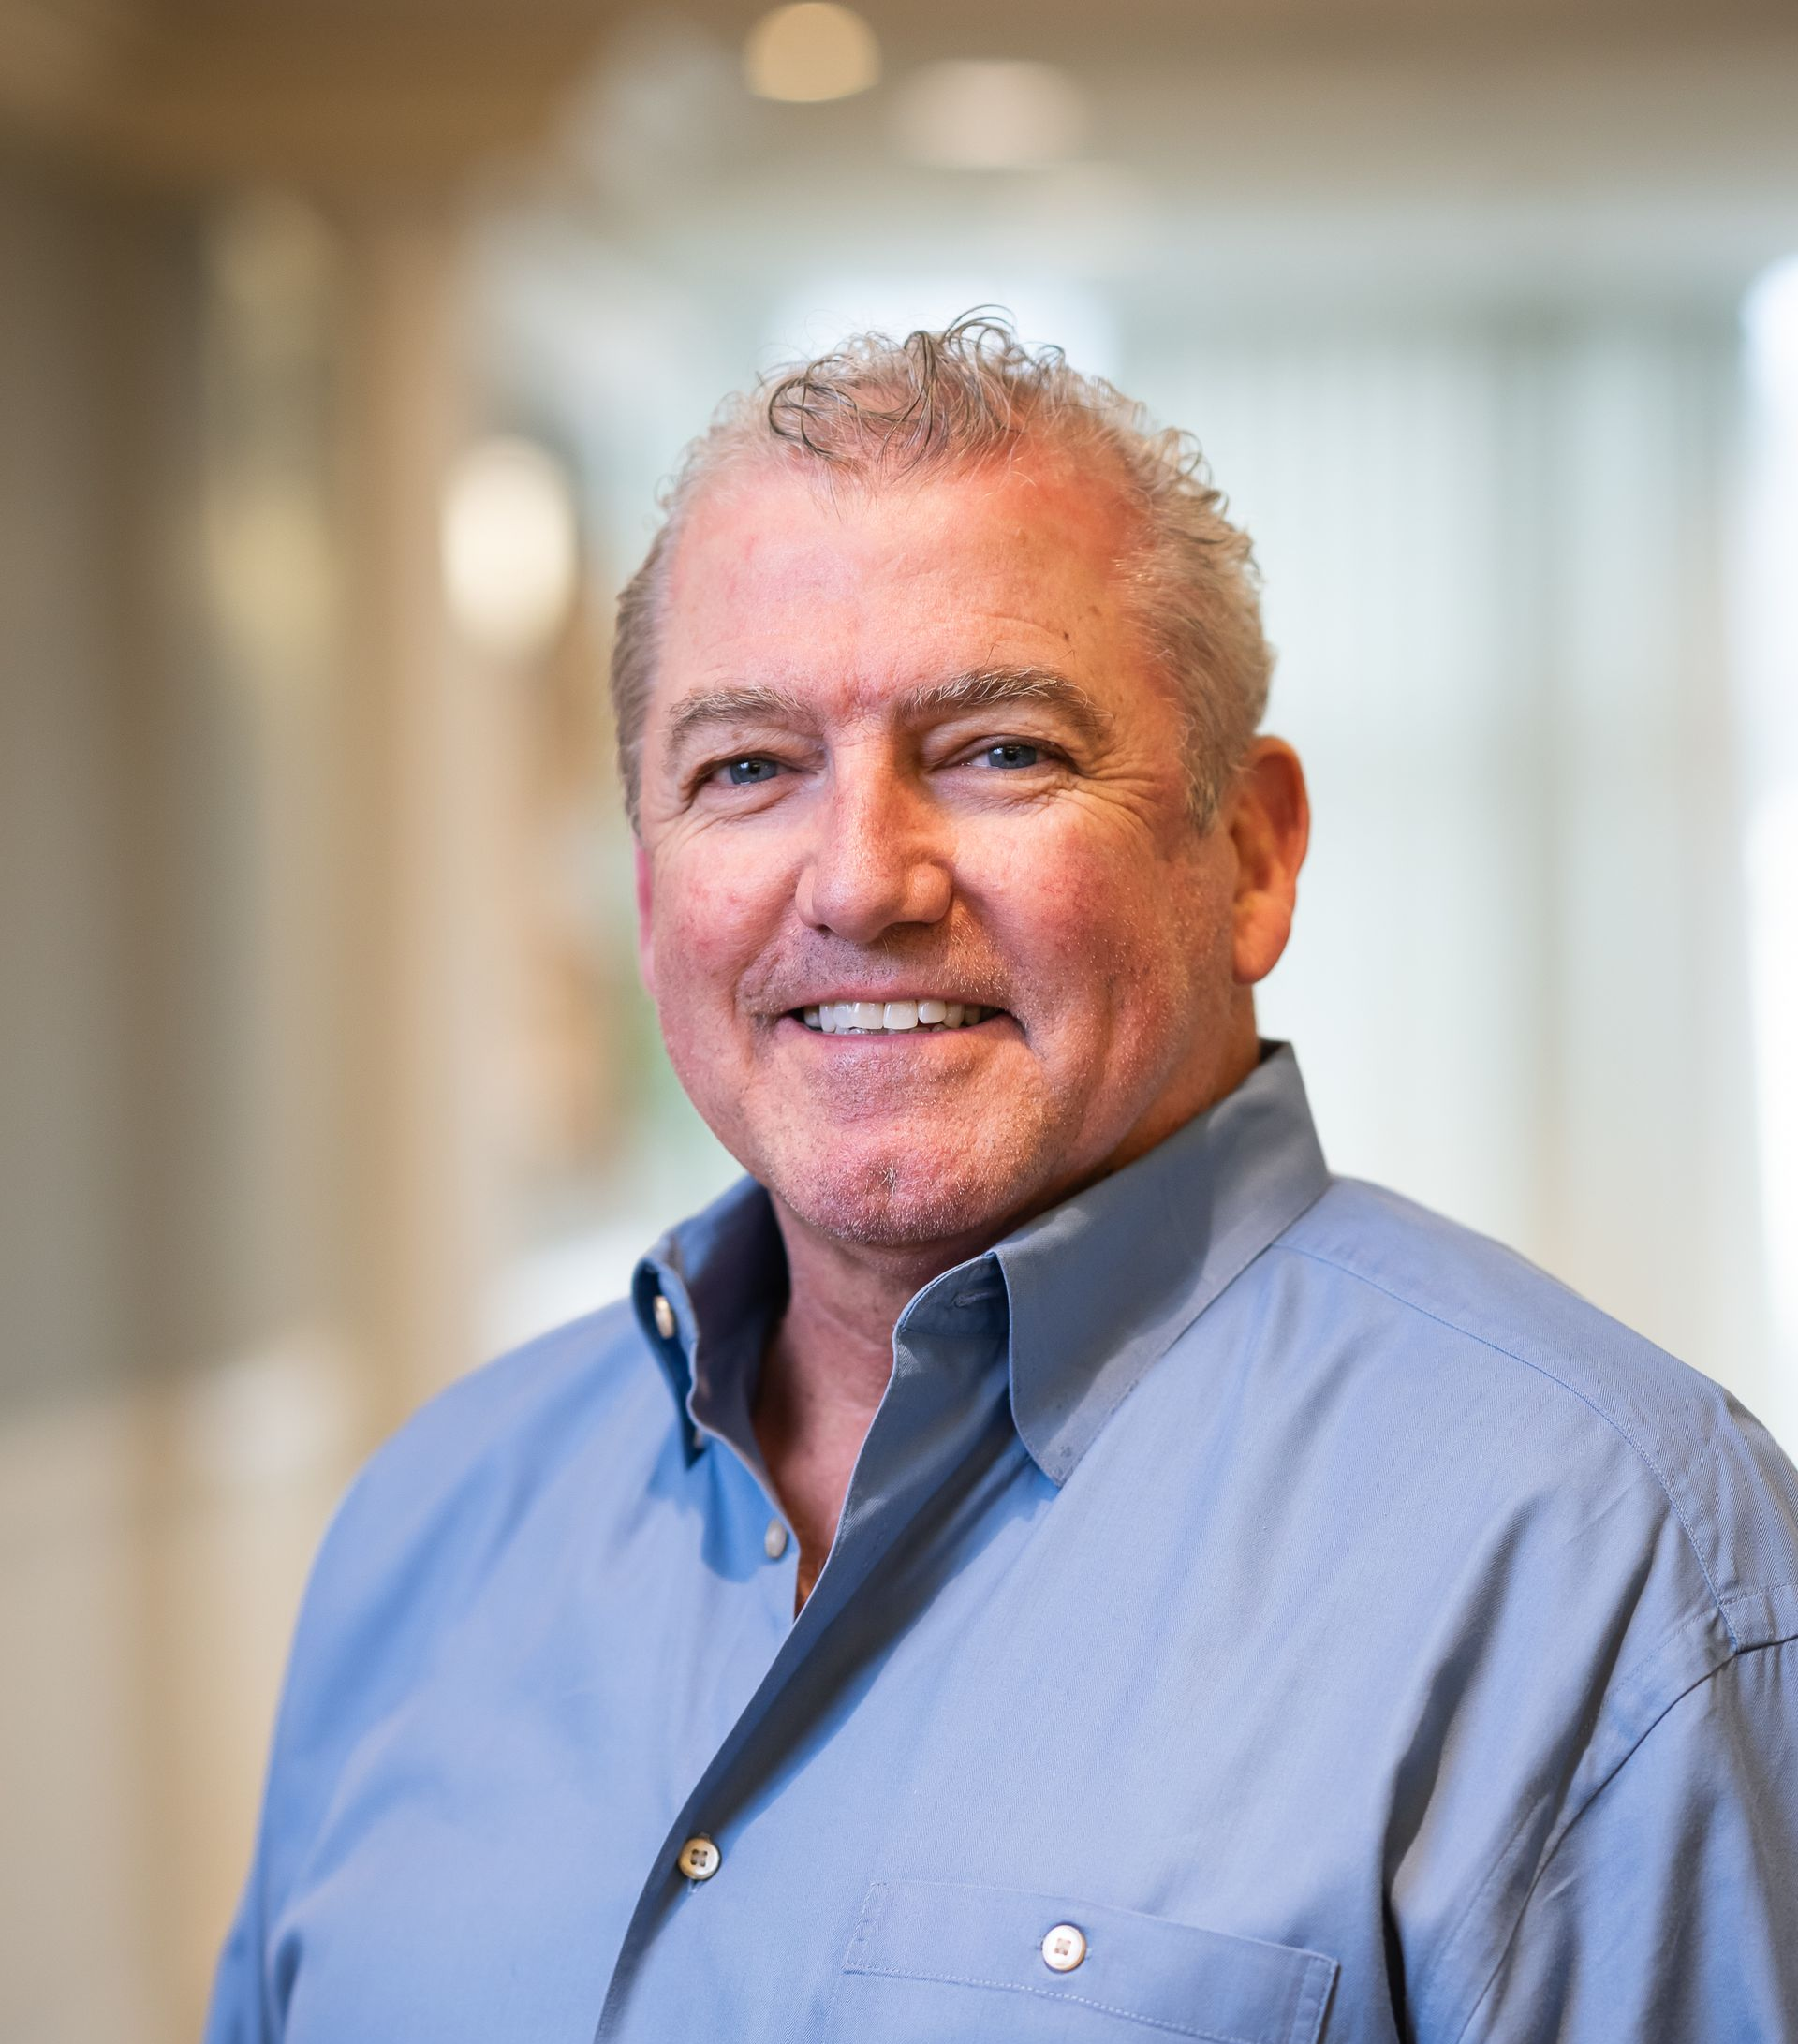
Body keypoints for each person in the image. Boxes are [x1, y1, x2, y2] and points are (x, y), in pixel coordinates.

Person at [207, 316, 1798, 2043]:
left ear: (1251, 854)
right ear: (652, 894)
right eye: (746, 767)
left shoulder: (1610, 1559)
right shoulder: (424, 1532)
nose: (862, 880)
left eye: (1002, 750)